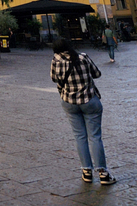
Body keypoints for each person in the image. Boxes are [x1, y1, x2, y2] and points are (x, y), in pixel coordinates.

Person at [50, 38, 116, 186]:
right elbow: (97, 73)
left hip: (69, 102)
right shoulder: (83, 57)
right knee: (95, 137)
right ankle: (103, 173)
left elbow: (54, 79)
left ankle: (86, 172)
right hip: (89, 101)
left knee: (80, 137)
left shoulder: (55, 60)